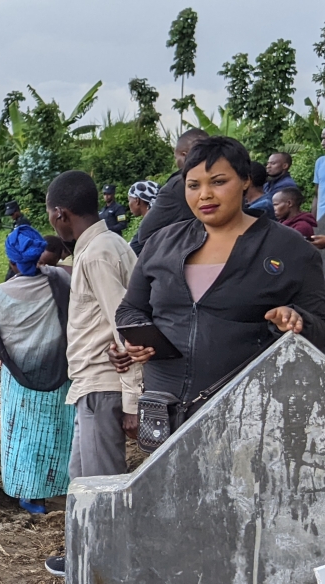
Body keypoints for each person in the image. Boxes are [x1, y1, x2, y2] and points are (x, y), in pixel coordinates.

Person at [118, 136, 325, 416]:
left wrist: (296, 321)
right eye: (193, 185)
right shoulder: (161, 244)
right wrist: (137, 337)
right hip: (164, 412)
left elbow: (320, 329)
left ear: (245, 181)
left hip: (249, 415)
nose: (204, 194)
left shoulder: (291, 249)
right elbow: (131, 309)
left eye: (218, 182)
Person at [45, 171, 142, 584]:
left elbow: (127, 326)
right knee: (82, 480)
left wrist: (132, 398)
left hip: (105, 385)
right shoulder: (106, 245)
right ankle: (86, 560)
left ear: (60, 215)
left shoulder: (98, 255)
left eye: (51, 218)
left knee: (102, 487)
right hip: (91, 384)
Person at [0, 227, 75, 515]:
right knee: (58, 432)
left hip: (18, 380)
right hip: (60, 371)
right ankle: (62, 485)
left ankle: (29, 495)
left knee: (23, 435)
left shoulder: (0, 294)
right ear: (41, 258)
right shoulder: (59, 279)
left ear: (11, 262)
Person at [132, 128, 209, 254]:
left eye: (176, 157)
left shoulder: (176, 187)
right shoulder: (229, 175)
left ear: (184, 156)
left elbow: (145, 234)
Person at [314, 128, 325, 237]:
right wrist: (313, 222)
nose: (322, 143)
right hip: (321, 220)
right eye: (322, 138)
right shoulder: (320, 162)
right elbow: (317, 194)